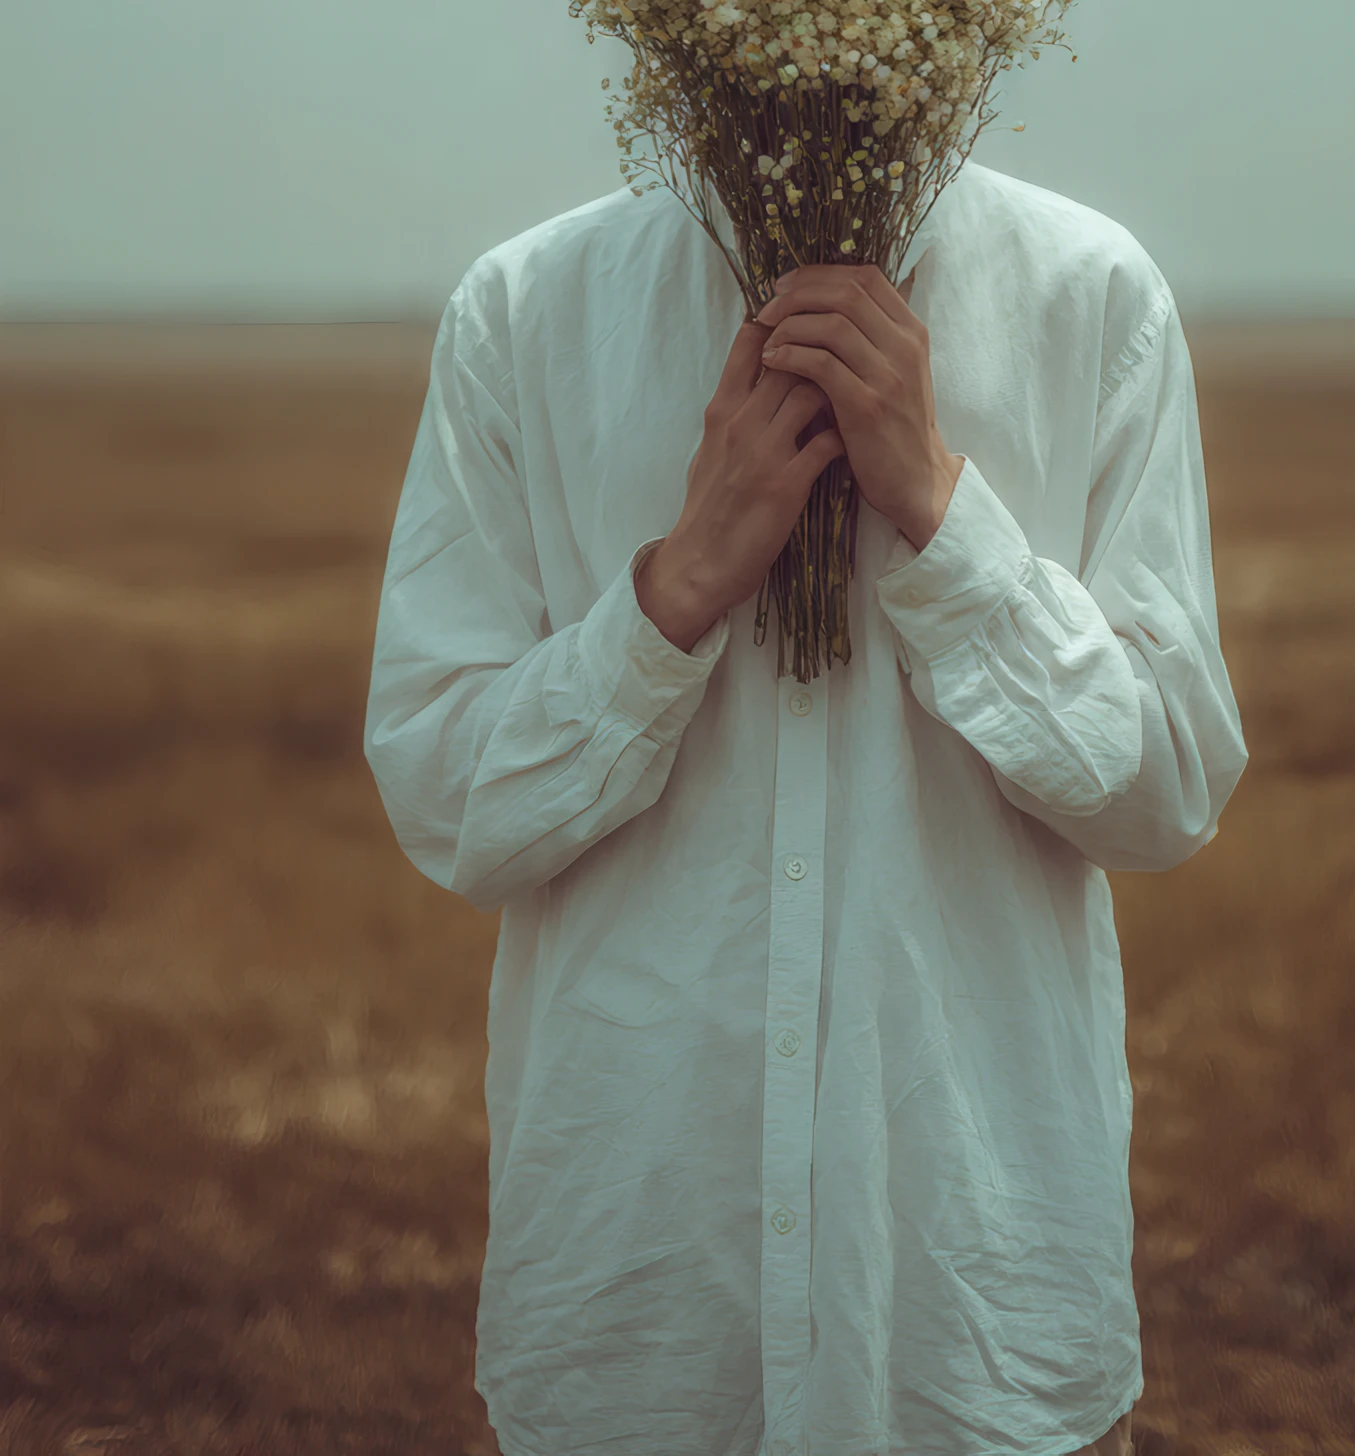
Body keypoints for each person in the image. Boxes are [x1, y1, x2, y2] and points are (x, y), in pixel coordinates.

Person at [363, 153, 1247, 1456]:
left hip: (976, 1331)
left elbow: (1168, 788)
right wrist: (672, 594)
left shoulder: (1090, 295)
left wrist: (948, 520)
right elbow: (449, 800)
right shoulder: (531, 308)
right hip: (643, 1322)